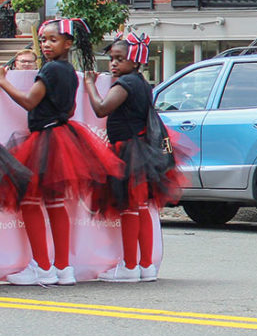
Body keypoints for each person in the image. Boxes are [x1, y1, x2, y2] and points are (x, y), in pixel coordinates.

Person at [0, 18, 121, 286]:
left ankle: (42, 267)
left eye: (52, 40)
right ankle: (62, 268)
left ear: (68, 43)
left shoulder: (51, 70)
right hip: (63, 136)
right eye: (43, 40)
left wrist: (3, 82)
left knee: (30, 201)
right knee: (55, 204)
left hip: (45, 139)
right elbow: (67, 110)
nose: (45, 45)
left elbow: (30, 101)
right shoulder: (68, 70)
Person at [83, 33, 185, 282]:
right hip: (142, 151)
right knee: (140, 208)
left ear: (135, 62)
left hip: (128, 151)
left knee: (130, 208)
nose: (113, 64)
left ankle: (130, 266)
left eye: (120, 59)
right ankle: (146, 265)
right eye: (111, 59)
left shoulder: (125, 84)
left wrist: (89, 85)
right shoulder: (140, 82)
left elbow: (101, 108)